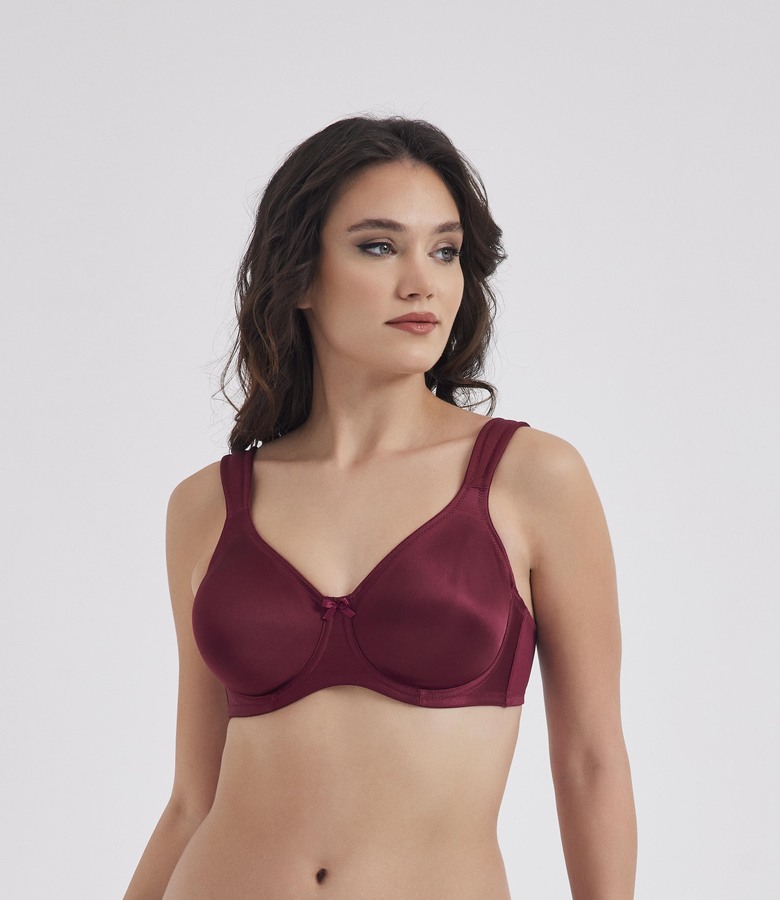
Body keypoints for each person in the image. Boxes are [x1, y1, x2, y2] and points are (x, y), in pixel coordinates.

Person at [123, 114, 637, 899]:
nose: (421, 282)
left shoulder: (532, 478)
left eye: (445, 251)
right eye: (378, 246)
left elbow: (590, 762)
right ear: (299, 275)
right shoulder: (207, 506)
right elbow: (193, 800)